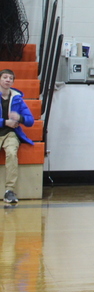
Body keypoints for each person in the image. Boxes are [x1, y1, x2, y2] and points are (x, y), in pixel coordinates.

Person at [1, 69, 35, 205]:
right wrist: (4, 121)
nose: (8, 80)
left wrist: (19, 118)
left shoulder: (17, 98)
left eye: (10, 78)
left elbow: (30, 121)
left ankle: (9, 191)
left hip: (10, 133)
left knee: (11, 153)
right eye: (5, 77)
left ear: (13, 82)